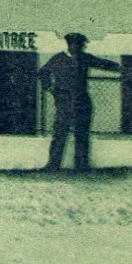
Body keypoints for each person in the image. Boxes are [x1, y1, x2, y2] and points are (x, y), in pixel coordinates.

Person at [38, 32, 121, 172]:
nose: (80, 47)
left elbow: (102, 63)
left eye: (81, 45)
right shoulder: (58, 59)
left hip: (82, 101)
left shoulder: (84, 58)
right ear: (70, 44)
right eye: (77, 45)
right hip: (64, 102)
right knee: (60, 133)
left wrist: (121, 68)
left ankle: (81, 165)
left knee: (82, 133)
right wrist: (51, 89)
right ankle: (53, 165)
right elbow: (43, 72)